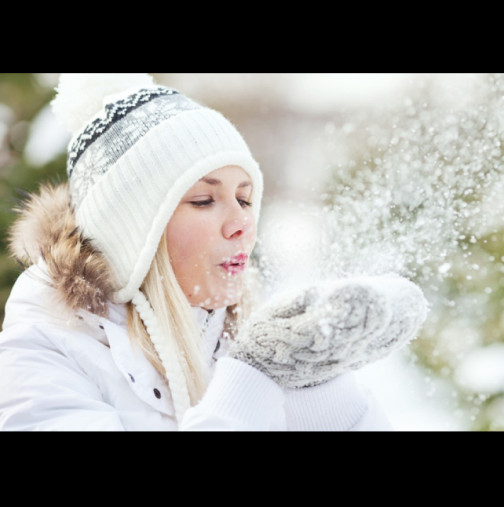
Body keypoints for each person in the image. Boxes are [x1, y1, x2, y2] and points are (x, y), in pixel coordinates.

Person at [0, 74, 428, 431]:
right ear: (130, 231)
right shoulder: (44, 350)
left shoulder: (234, 334)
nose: (242, 222)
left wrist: (318, 386)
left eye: (245, 199)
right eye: (204, 201)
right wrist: (251, 378)